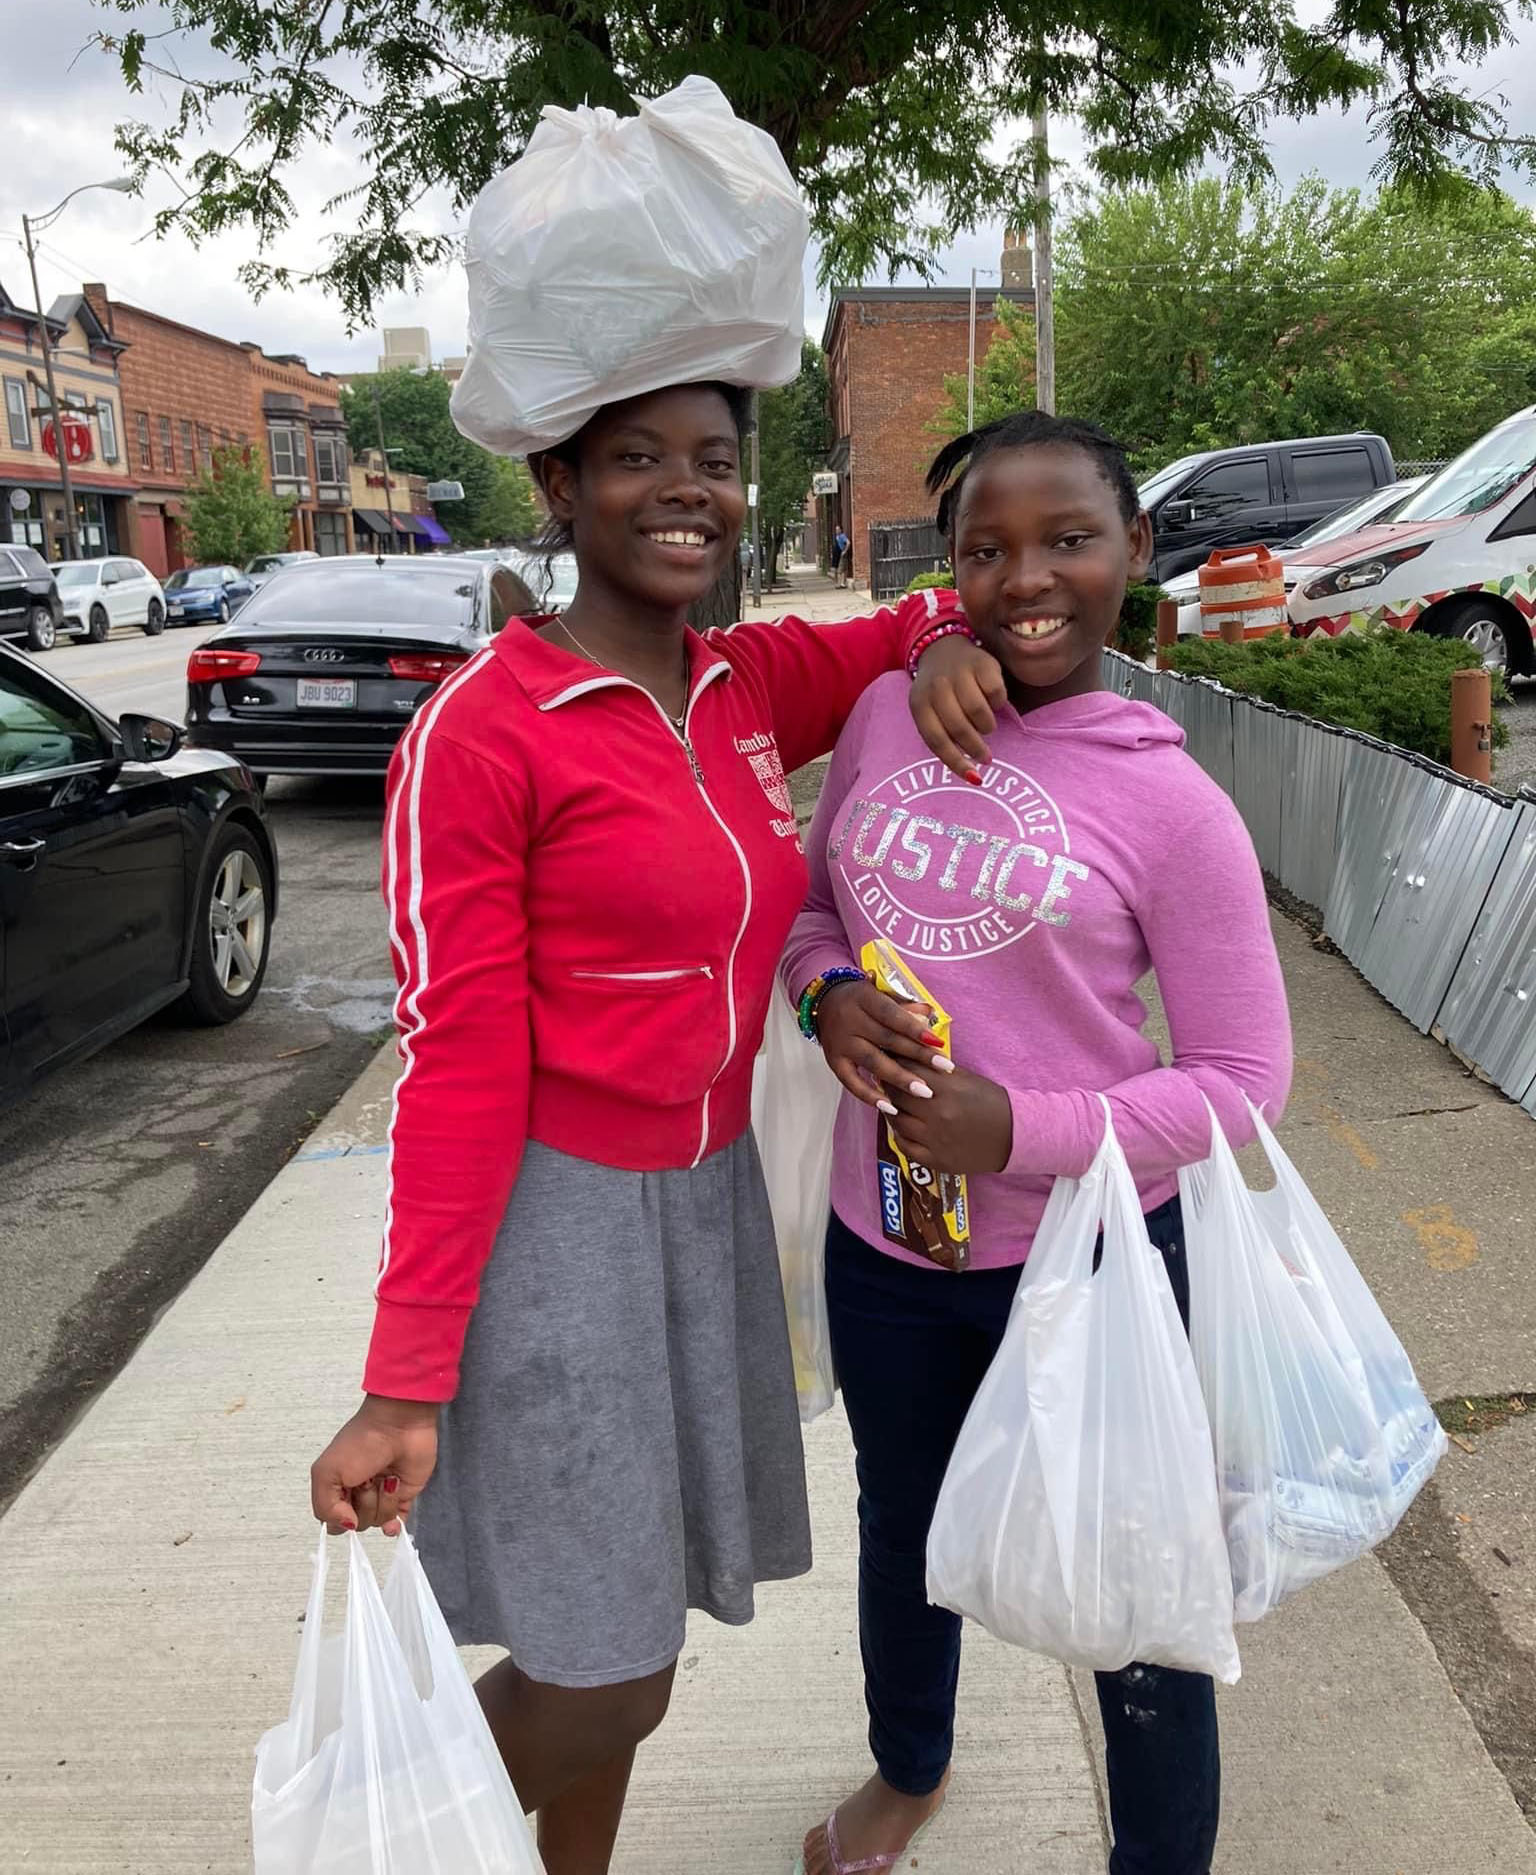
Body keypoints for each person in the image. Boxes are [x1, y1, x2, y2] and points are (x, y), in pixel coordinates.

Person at [308, 380, 1007, 1875]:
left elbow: (919, 615)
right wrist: (404, 1379)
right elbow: (460, 1061)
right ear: (558, 485)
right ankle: (368, 1841)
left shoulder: (741, 686)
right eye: (637, 460)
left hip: (708, 1208)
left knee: (641, 1659)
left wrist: (943, 633)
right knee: (599, 1669)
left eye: (714, 461)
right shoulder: (484, 730)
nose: (686, 490)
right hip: (553, 1232)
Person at [782, 410, 1293, 1875]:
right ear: (949, 572)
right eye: (986, 550)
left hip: (1093, 1258)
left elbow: (1247, 1077)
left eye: (1068, 538)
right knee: (903, 1533)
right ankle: (911, 1765)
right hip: (887, 1237)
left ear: (1134, 548)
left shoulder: (1170, 801)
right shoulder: (891, 714)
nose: (1027, 579)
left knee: (1136, 1588)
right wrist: (824, 997)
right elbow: (817, 912)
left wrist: (1030, 1130)